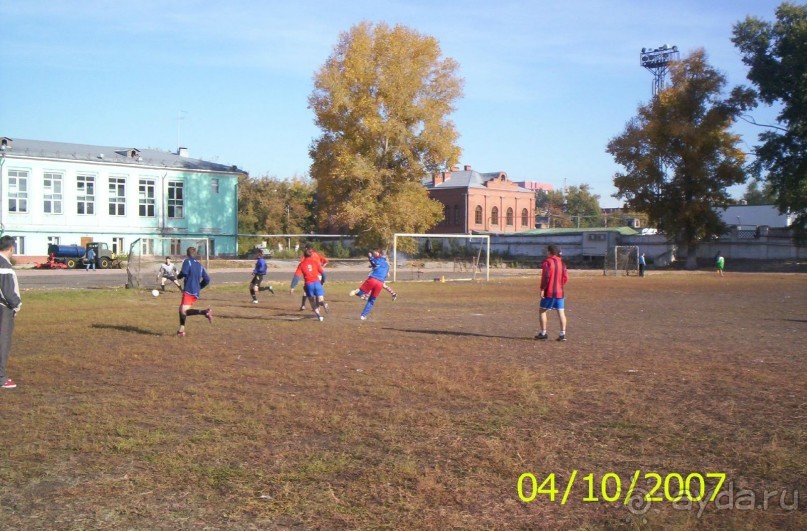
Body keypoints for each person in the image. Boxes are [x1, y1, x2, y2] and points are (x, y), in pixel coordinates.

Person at [0, 236, 21, 389]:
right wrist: (16, 304)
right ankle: (0, 378)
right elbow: (8, 291)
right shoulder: (4, 265)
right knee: (3, 342)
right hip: (3, 309)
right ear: (11, 248)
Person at [176, 246, 212, 337]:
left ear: (187, 254)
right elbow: (207, 279)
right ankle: (181, 330)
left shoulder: (187, 261)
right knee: (181, 309)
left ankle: (205, 312)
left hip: (189, 290)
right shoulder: (199, 265)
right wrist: (199, 287)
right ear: (195, 254)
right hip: (195, 291)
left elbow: (184, 272)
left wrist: (179, 276)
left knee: (183, 311)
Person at [535, 244, 568, 341]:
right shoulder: (562, 263)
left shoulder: (547, 263)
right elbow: (565, 278)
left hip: (549, 291)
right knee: (561, 312)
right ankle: (562, 334)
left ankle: (543, 333)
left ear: (550, 252)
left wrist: (542, 289)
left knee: (542, 310)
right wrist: (559, 284)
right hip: (560, 292)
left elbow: (546, 277)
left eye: (547, 251)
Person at [349, 249, 391, 320]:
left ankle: (358, 292)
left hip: (373, 279)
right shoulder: (387, 264)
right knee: (372, 300)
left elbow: (373, 262)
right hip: (380, 283)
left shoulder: (377, 260)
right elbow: (387, 274)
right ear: (386, 256)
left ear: (380, 254)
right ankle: (363, 316)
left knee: (361, 292)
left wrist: (370, 257)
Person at [290, 248, 328, 321]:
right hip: (317, 283)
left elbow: (296, 276)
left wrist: (292, 286)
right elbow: (323, 274)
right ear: (311, 254)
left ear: (304, 255)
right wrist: (322, 281)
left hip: (309, 285)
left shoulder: (301, 264)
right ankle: (323, 303)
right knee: (320, 299)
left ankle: (319, 316)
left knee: (312, 301)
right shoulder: (315, 262)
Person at [299, 244, 327, 311]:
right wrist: (321, 267)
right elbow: (326, 261)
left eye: (305, 248)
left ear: (307, 248)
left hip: (312, 275)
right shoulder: (317, 254)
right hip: (319, 275)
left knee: (307, 290)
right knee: (318, 292)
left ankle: (303, 305)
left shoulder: (307, 255)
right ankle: (319, 306)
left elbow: (303, 263)